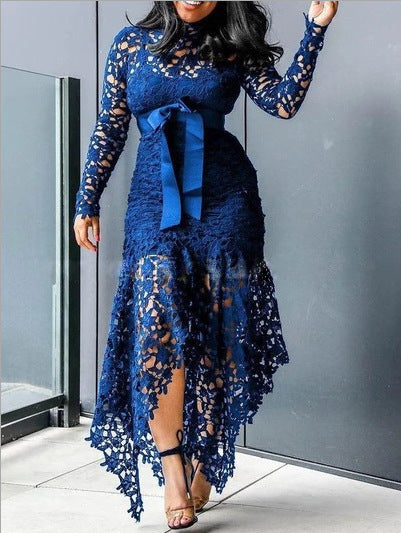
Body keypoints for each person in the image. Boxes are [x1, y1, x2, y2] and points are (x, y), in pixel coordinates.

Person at [73, 0, 338, 529]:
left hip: (225, 199)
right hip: (153, 199)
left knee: (219, 336)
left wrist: (315, 30)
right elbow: (111, 125)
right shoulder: (130, 45)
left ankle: (206, 458)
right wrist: (87, 199)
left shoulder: (235, 40)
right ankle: (173, 469)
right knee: (156, 329)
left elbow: (283, 103)